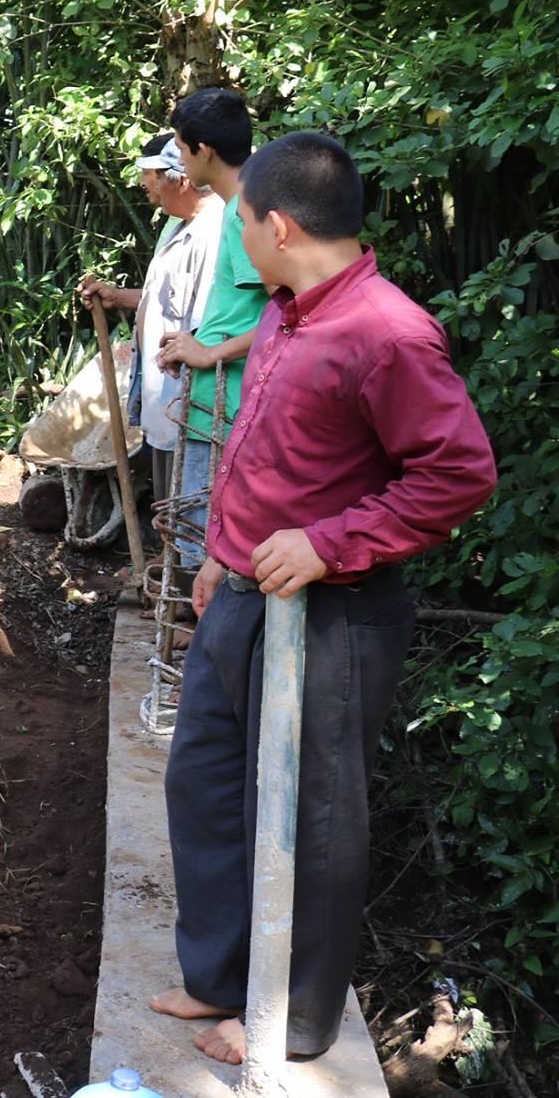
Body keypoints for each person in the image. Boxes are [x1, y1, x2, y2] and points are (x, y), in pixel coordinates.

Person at [149, 131, 496, 1065]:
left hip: (332, 616)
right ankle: (220, 974)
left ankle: (295, 1018)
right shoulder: (286, 313)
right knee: (205, 782)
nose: (237, 247)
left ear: (280, 224)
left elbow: (458, 474)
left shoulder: (386, 333)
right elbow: (265, 453)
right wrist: (223, 548)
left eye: (243, 230)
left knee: (312, 817)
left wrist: (329, 544)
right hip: (245, 595)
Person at [79, 132, 225, 540]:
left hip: (189, 402)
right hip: (167, 396)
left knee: (189, 504)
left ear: (179, 178)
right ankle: (167, 582)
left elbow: (203, 324)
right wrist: (120, 298)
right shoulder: (179, 226)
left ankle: (183, 592)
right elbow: (168, 298)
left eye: (151, 176)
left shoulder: (213, 233)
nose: (146, 186)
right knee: (170, 501)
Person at [153, 87, 261, 565]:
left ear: (205, 151)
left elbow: (292, 316)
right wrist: (193, 343)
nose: (175, 155)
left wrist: (211, 353)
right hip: (213, 403)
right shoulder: (243, 208)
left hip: (228, 407)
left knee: (205, 545)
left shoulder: (244, 215)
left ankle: (205, 638)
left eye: (178, 144)